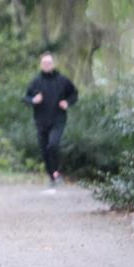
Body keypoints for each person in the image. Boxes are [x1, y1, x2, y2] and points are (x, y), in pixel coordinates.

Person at [23, 52, 78, 187]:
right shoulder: (36, 81)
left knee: (53, 144)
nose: (47, 65)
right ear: (41, 65)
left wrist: (67, 102)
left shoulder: (62, 80)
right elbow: (25, 98)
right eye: (44, 63)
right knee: (44, 149)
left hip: (58, 119)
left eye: (49, 63)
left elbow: (74, 94)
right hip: (41, 121)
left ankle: (56, 173)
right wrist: (34, 100)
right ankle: (52, 176)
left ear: (53, 64)